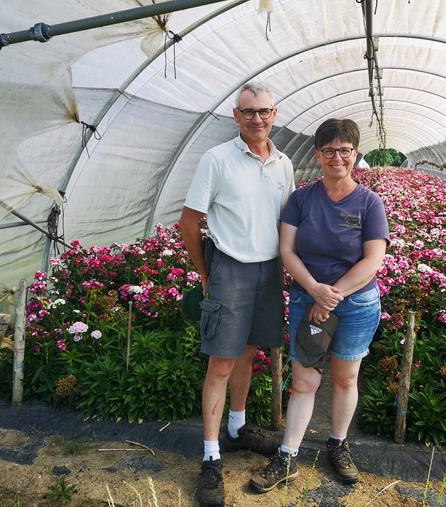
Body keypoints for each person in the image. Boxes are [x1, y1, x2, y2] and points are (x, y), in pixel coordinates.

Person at [250, 118, 389, 492]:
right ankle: (287, 455)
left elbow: (372, 261)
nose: (337, 158)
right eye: (329, 151)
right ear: (318, 155)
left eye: (345, 151)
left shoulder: (369, 203)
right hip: (306, 298)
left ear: (355, 154)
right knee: (304, 380)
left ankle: (337, 444)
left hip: (356, 303)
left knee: (345, 377)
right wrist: (314, 289)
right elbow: (287, 250)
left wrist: (332, 295)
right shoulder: (301, 200)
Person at [179, 82, 295, 507]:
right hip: (230, 266)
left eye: (264, 111)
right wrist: (208, 273)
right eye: (249, 111)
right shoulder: (217, 160)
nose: (257, 118)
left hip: (269, 269)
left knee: (248, 352)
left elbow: (287, 220)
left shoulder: (282, 163)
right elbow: (190, 221)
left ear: (275, 113)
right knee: (222, 360)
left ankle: (237, 427)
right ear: (235, 115)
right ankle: (210, 458)